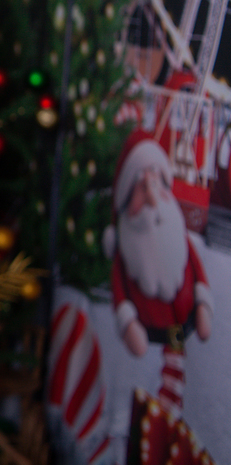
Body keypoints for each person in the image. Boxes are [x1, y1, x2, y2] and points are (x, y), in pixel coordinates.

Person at [107, 130, 213, 414]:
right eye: (143, 187)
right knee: (145, 403)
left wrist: (203, 304)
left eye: (157, 182)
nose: (154, 197)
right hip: (149, 337)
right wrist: (129, 324)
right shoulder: (127, 246)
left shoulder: (177, 231)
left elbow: (197, 271)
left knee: (174, 398)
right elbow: (120, 292)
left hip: (183, 330)